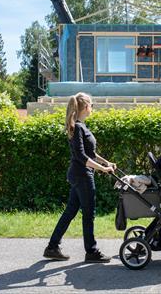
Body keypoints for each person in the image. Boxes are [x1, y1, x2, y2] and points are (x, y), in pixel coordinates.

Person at [43, 92, 116, 263]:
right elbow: (82, 157)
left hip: (80, 175)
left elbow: (91, 153)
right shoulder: (77, 128)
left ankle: (52, 247)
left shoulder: (81, 126)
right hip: (82, 176)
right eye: (92, 104)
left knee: (70, 212)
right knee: (88, 213)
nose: (93, 108)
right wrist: (103, 169)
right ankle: (91, 251)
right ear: (85, 106)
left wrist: (107, 162)